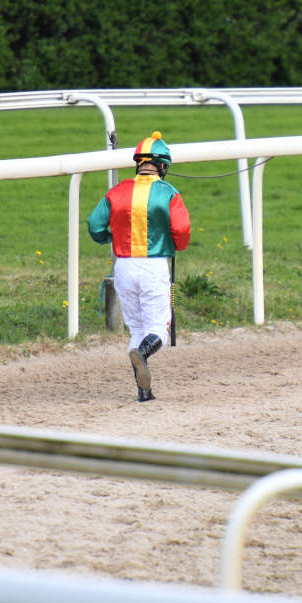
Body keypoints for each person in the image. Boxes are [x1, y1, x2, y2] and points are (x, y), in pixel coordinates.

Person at [87, 132, 191, 402]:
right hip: (154, 266)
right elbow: (181, 229)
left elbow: (94, 225)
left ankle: (144, 391)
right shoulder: (168, 192)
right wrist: (176, 243)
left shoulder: (117, 190)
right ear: (163, 165)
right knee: (158, 329)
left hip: (123, 268)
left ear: (138, 163)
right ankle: (143, 354)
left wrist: (109, 237)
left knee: (136, 328)